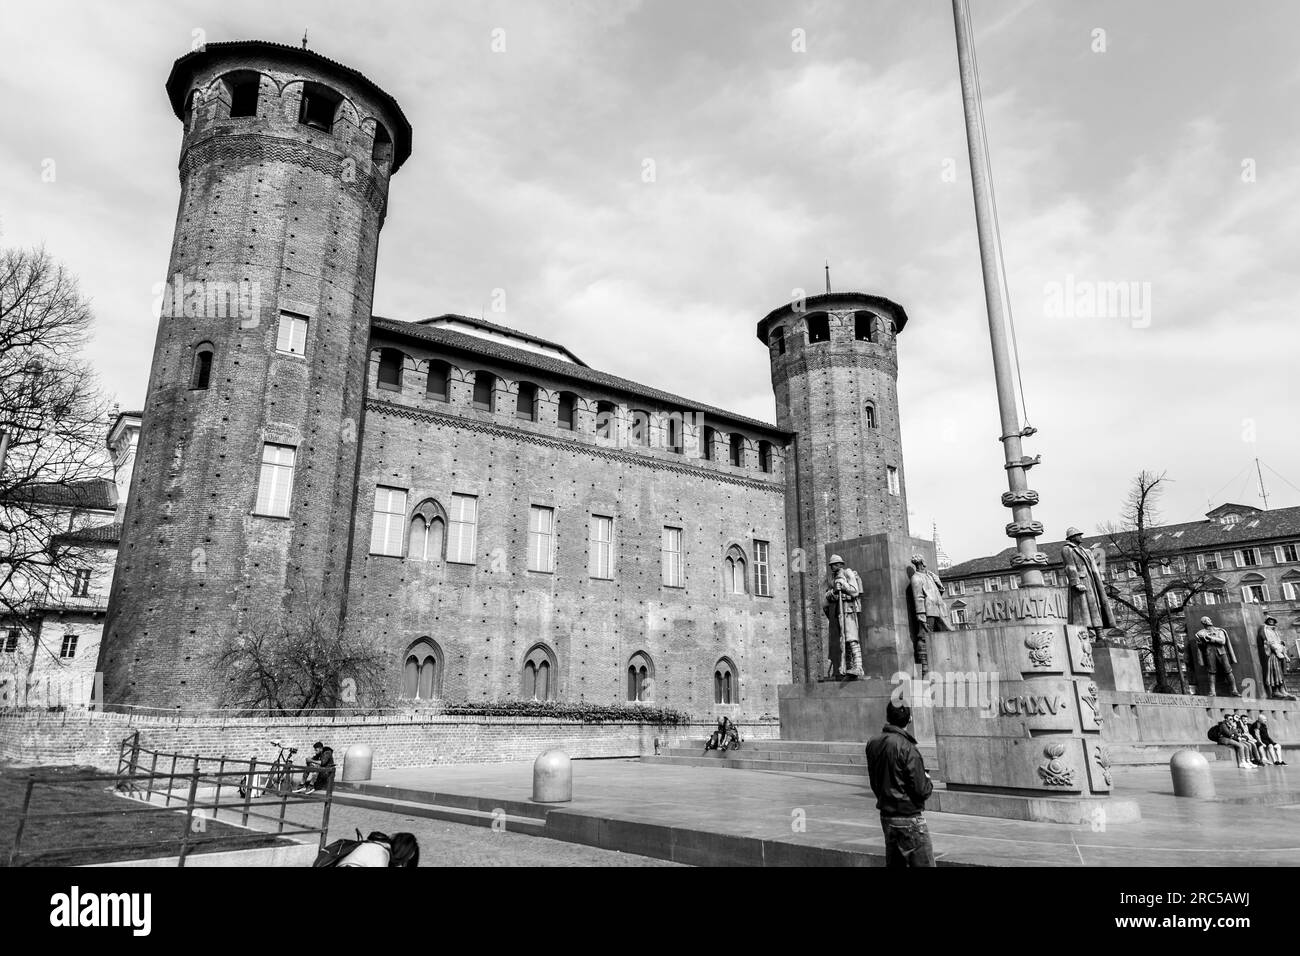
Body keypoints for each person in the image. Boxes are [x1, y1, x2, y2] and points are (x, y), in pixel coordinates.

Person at [864, 700, 935, 867]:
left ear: (888, 717)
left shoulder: (873, 743)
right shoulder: (907, 747)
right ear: (909, 719)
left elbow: (875, 780)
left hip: (887, 817)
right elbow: (921, 789)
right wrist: (927, 779)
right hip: (908, 818)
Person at [1061, 528, 1115, 641]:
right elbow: (1069, 566)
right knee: (1084, 611)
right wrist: (1075, 582)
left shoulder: (1086, 551)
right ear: (1072, 537)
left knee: (1095, 607)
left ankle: (1100, 633)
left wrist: (1098, 580)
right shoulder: (1067, 549)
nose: (1081, 537)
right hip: (1081, 582)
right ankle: (1084, 635)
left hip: (1092, 582)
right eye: (1078, 535)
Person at [907, 554, 951, 679]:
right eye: (924, 560)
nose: (926, 562)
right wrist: (921, 615)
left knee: (944, 634)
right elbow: (918, 597)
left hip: (938, 609)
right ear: (921, 563)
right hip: (928, 611)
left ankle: (942, 665)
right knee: (923, 637)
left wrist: (938, 581)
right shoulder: (916, 578)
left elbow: (939, 592)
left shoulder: (930, 576)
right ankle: (923, 669)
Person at [823, 554, 864, 680]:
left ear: (841, 564)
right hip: (837, 611)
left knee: (851, 638)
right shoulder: (831, 578)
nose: (832, 567)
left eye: (835, 564)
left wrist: (843, 585)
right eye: (831, 565)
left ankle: (858, 666)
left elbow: (855, 591)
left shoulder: (848, 573)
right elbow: (827, 595)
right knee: (843, 640)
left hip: (849, 609)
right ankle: (848, 667)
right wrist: (834, 592)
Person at [1193, 617, 1239, 697]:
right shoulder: (1200, 633)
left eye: (1209, 619)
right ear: (1203, 622)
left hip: (1221, 652)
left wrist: (1210, 638)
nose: (1209, 620)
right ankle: (1212, 692)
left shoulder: (1219, 630)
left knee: (1228, 671)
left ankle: (1234, 690)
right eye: (1207, 620)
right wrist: (1200, 643)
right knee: (1211, 672)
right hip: (1210, 653)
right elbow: (1201, 646)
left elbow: (1222, 641)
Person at [1259, 617, 1295, 700]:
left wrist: (1285, 654)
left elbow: (1279, 643)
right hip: (1273, 654)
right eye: (1270, 621)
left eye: (1273, 621)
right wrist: (1276, 651)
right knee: (1276, 673)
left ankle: (1282, 689)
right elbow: (1269, 642)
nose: (1271, 622)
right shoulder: (1266, 630)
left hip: (1280, 654)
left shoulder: (1275, 631)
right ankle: (1275, 691)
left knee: (1281, 673)